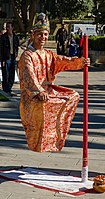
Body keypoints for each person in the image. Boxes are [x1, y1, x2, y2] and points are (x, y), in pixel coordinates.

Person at [18, 15, 90, 153]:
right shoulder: (27, 55)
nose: (43, 37)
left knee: (73, 96)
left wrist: (80, 62)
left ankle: (54, 139)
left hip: (48, 90)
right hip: (32, 95)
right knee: (41, 107)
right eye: (40, 34)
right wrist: (38, 91)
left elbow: (62, 61)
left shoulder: (48, 54)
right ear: (33, 35)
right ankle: (38, 142)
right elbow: (28, 76)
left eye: (45, 34)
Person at [0, 21, 19, 95]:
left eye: (9, 27)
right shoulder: (3, 37)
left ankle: (9, 87)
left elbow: (16, 46)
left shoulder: (15, 37)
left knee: (12, 73)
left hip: (13, 57)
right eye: (7, 27)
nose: (7, 28)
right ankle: (6, 89)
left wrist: (16, 53)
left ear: (12, 28)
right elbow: (1, 49)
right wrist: (2, 59)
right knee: (5, 73)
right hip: (6, 57)